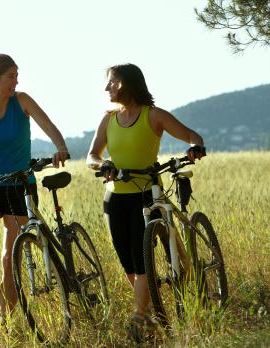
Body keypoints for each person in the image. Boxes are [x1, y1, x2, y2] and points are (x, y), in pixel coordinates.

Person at [86, 63, 205, 339]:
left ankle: (139, 318)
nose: (107, 88)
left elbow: (191, 135)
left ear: (128, 83)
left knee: (142, 262)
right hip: (115, 199)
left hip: (148, 195)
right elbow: (92, 155)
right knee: (129, 264)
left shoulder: (153, 116)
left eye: (112, 82)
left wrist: (194, 146)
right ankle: (148, 315)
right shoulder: (108, 119)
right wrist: (103, 163)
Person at [0, 53, 69, 335]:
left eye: (16, 75)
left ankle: (5, 324)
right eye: (11, 76)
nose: (16, 81)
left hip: (21, 185)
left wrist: (60, 146)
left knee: (10, 258)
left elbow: (49, 127)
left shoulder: (22, 100)